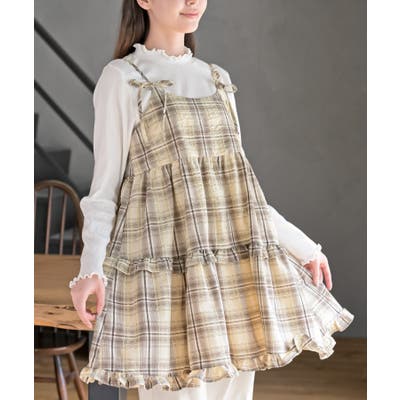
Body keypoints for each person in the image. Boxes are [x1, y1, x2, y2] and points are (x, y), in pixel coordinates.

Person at [69, 1, 355, 399]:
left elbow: (239, 192)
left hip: (233, 276)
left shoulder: (218, 80)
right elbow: (104, 192)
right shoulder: (123, 78)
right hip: (167, 280)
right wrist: (91, 268)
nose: (193, 1)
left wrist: (304, 246)